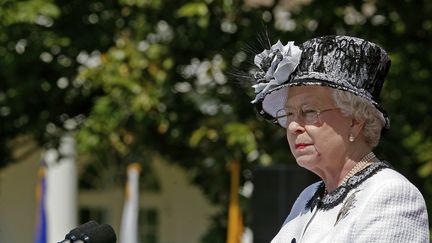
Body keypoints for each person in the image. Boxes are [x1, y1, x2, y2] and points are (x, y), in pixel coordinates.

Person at [249, 35, 429, 242]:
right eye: (288, 114)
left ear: (355, 120)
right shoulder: (308, 197)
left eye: (308, 111)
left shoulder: (389, 193)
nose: (293, 126)